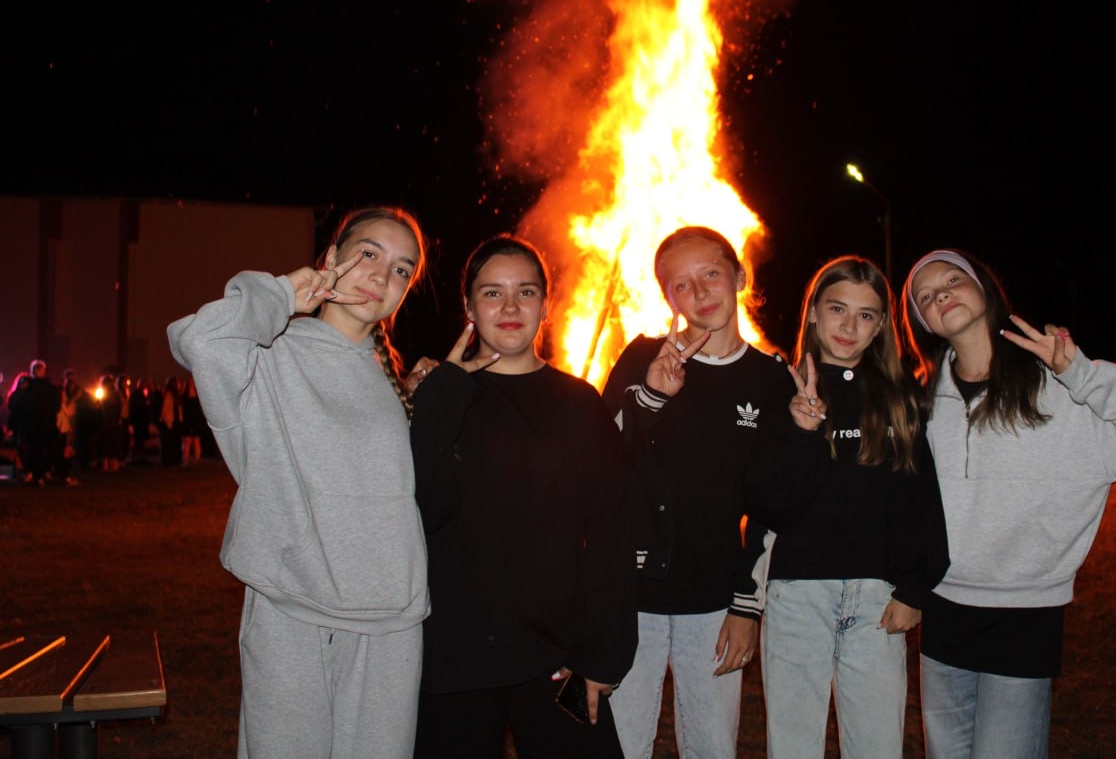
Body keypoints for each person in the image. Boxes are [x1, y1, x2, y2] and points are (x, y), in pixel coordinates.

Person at [900, 248, 1116, 758]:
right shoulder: (921, 401)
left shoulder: (1059, 387)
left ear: (984, 288)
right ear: (923, 323)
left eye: (951, 280)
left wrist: (1083, 374)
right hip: (942, 613)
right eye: (925, 296)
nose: (940, 294)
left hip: (1025, 613)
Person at [168, 205, 431, 758]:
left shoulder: (392, 380)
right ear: (331, 256)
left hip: (390, 621)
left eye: (402, 269)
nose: (382, 275)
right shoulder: (267, 355)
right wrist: (286, 294)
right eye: (368, 254)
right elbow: (199, 339)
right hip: (292, 608)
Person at [410, 235, 636, 758]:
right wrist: (438, 401)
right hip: (454, 658)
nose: (510, 307)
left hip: (558, 657)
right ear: (469, 307)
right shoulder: (441, 397)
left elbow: (612, 534)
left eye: (526, 292)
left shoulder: (579, 405)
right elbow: (420, 512)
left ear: (545, 306)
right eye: (493, 293)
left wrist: (602, 655)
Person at [744, 255, 949, 758]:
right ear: (814, 312)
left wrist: (915, 589)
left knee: (877, 745)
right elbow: (769, 506)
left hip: (879, 599)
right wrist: (803, 433)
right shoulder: (780, 389)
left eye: (865, 315)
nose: (848, 326)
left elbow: (923, 500)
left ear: (880, 327)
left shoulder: (900, 396)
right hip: (798, 596)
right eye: (837, 308)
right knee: (793, 746)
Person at [601, 226, 793, 759]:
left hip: (713, 600)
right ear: (668, 298)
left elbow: (772, 505)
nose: (701, 292)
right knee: (620, 745)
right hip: (630, 596)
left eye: (711, 274)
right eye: (681, 285)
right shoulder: (643, 357)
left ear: (739, 276)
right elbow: (600, 464)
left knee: (712, 746)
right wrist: (651, 396)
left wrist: (746, 606)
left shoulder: (770, 379)